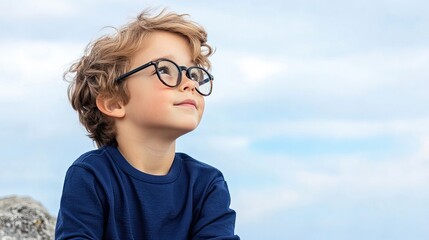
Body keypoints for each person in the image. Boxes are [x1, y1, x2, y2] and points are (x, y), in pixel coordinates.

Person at [55, 9, 239, 239]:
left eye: (195, 74)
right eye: (164, 70)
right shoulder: (91, 176)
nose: (190, 83)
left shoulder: (207, 185)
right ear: (114, 102)